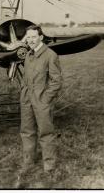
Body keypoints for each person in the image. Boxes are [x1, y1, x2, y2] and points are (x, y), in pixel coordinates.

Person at [19, 25, 63, 180]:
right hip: (26, 100)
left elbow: (56, 81)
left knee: (46, 132)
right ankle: (28, 161)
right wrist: (24, 93)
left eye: (33, 37)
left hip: (41, 100)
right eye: (28, 37)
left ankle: (49, 165)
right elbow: (25, 78)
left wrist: (45, 99)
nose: (30, 40)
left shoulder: (50, 55)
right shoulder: (28, 55)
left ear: (41, 38)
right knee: (27, 131)